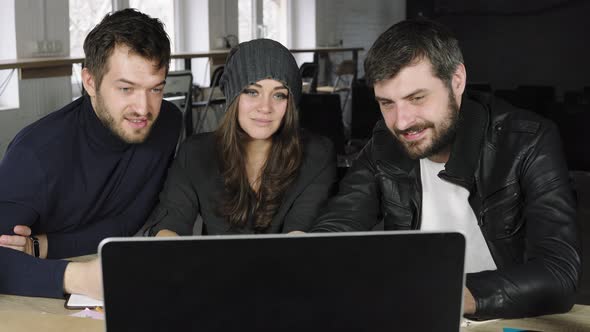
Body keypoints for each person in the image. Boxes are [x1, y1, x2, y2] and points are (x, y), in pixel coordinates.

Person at [311, 19, 580, 320]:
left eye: (417, 98)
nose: (401, 121)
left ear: (457, 80)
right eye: (387, 103)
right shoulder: (384, 144)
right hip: (415, 318)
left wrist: (446, 293)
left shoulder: (528, 142)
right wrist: (308, 249)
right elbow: (340, 222)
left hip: (505, 321)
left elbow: (559, 274)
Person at [0, 9, 181, 299]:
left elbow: (129, 218)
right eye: (126, 88)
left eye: (156, 89)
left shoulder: (167, 123)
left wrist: (44, 245)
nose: (144, 108)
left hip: (101, 275)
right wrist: (79, 277)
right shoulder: (34, 154)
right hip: (36, 297)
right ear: (90, 82)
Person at [144, 38, 336, 237]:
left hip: (287, 265)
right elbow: (171, 221)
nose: (265, 107)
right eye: (252, 92)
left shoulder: (316, 155)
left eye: (279, 95)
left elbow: (299, 236)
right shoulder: (195, 153)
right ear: (233, 97)